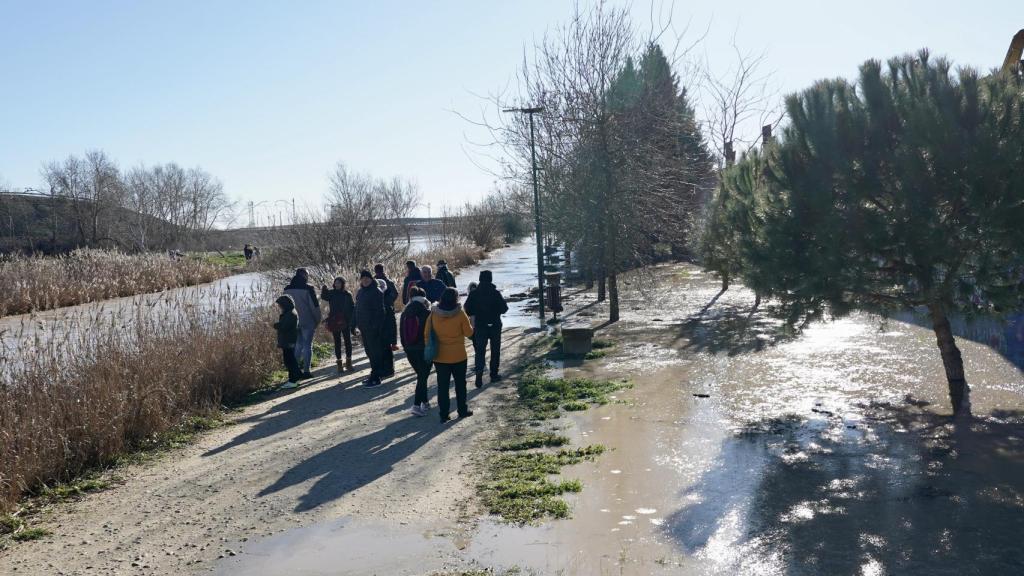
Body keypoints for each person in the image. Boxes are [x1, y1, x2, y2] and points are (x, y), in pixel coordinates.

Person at [426, 287, 474, 423]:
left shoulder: (433, 314)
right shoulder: (460, 314)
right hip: (459, 355)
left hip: (440, 356)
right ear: (456, 298)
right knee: (460, 385)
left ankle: (444, 415)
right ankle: (462, 410)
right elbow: (469, 333)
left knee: (443, 387)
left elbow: (426, 334)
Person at [463, 270, 509, 389]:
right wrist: (495, 312)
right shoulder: (495, 293)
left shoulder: (474, 294)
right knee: (495, 350)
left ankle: (479, 372)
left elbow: (467, 309)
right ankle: (494, 374)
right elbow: (504, 309)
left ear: (480, 279)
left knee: (480, 350)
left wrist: (476, 313)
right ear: (491, 279)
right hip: (495, 325)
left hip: (480, 325)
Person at [400, 286, 432, 417]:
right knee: (422, 377)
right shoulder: (427, 312)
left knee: (421, 376)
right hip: (423, 349)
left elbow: (401, 333)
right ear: (424, 299)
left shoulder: (404, 312)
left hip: (410, 350)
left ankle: (425, 402)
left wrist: (406, 348)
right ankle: (416, 405)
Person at [284, 268, 321, 379]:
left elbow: (284, 307)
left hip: (293, 321)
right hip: (307, 321)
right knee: (307, 345)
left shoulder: (287, 289)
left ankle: (295, 371)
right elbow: (314, 307)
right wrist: (317, 320)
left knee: (298, 345)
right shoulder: (308, 288)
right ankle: (306, 371)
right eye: (307, 275)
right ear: (304, 275)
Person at [354, 270, 388, 387]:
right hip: (363, 328)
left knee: (375, 353)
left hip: (373, 328)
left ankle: (376, 377)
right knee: (369, 352)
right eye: (363, 278)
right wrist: (354, 324)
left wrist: (375, 327)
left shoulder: (376, 291)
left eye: (367, 278)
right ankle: (374, 373)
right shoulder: (361, 292)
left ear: (371, 279)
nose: (365, 280)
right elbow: (357, 309)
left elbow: (381, 311)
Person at [321, 277, 355, 373]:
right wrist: (324, 289)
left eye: (339, 283)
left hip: (346, 320)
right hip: (334, 321)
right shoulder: (331, 293)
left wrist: (352, 320)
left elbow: (352, 306)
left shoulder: (347, 294)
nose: (337, 285)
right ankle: (339, 365)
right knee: (337, 342)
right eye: (336, 283)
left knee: (348, 341)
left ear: (342, 284)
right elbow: (324, 297)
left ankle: (349, 363)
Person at [274, 295, 302, 389]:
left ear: (285, 304)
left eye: (280, 305)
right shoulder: (289, 312)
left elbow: (284, 327)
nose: (279, 307)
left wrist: (275, 325)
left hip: (288, 340)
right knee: (291, 360)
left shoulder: (290, 313)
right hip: (289, 340)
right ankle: (296, 377)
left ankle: (293, 380)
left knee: (289, 361)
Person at [374, 263, 400, 353]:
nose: (379, 272)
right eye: (378, 271)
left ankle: (392, 344)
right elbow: (395, 293)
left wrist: (388, 301)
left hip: (386, 307)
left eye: (379, 270)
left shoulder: (387, 282)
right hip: (381, 307)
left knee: (390, 324)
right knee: (389, 325)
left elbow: (395, 293)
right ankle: (391, 344)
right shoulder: (374, 282)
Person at [376, 278, 396, 377]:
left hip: (386, 330)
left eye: (381, 286)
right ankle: (383, 369)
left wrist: (394, 340)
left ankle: (389, 370)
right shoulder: (375, 297)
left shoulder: (387, 299)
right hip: (377, 330)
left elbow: (392, 322)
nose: (380, 288)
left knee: (387, 352)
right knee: (380, 351)